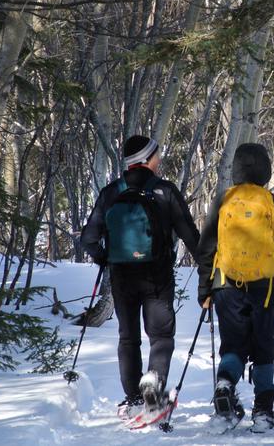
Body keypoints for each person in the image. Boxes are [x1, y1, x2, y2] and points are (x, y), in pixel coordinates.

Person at [80, 135, 201, 416]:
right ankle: (154, 388)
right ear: (147, 159)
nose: (159, 160)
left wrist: (105, 258)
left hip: (122, 275)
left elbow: (88, 239)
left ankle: (133, 397)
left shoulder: (111, 192)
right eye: (156, 155)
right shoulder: (165, 191)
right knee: (160, 336)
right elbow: (191, 237)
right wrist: (209, 268)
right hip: (156, 276)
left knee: (128, 337)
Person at [196, 143, 274, 433]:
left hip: (224, 282)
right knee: (263, 346)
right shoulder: (272, 202)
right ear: (265, 170)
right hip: (263, 285)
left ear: (237, 169)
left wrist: (204, 290)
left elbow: (206, 249)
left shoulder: (224, 200)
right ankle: (263, 413)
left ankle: (225, 386)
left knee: (233, 343)